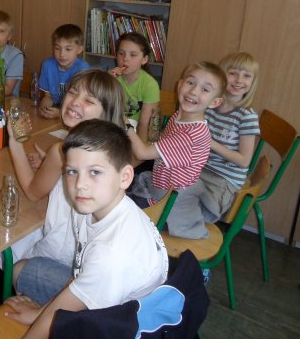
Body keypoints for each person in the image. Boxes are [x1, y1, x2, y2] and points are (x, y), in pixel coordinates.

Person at [3, 120, 168, 338]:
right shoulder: (100, 205)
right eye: (72, 171)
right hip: (112, 297)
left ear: (125, 177)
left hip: (119, 323)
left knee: (20, 272)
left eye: (95, 172)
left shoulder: (112, 255)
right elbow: (81, 275)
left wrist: (38, 320)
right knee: (20, 268)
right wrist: (37, 315)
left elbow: (62, 308)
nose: (80, 184)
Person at [7, 69, 125, 305]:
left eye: (89, 100)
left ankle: (47, 309)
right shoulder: (111, 147)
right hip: (96, 256)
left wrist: (14, 140)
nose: (75, 102)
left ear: (105, 113)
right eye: (73, 92)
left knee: (10, 253)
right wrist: (52, 166)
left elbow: (31, 191)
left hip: (71, 257)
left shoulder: (62, 151)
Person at [128, 61, 226, 239]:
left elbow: (142, 153)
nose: (194, 91)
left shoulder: (191, 135)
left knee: (119, 210)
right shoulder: (179, 117)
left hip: (170, 204)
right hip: (162, 186)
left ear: (215, 102)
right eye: (190, 82)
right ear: (179, 85)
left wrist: (126, 126)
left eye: (205, 89)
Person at [175, 52, 260, 238]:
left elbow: (244, 161)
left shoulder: (247, 116)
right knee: (168, 194)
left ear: (253, 82)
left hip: (222, 180)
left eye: (247, 76)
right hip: (199, 168)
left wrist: (208, 141)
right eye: (233, 73)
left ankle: (193, 243)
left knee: (182, 209)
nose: (239, 80)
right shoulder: (210, 105)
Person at [109, 32, 160, 144]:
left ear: (144, 59)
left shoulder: (150, 85)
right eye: (121, 53)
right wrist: (105, 82)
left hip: (135, 135)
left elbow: (144, 124)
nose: (125, 59)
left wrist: (140, 150)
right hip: (111, 131)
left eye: (133, 55)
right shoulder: (112, 78)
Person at [37, 24, 89, 120]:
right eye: (57, 48)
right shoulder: (47, 65)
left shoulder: (83, 69)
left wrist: (61, 113)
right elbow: (48, 97)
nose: (61, 54)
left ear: (79, 49)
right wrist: (44, 109)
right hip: (56, 110)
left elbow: (81, 104)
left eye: (68, 49)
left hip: (75, 112)